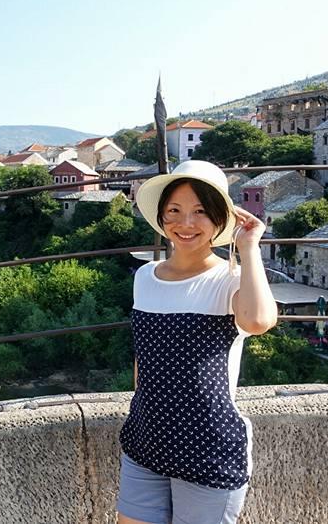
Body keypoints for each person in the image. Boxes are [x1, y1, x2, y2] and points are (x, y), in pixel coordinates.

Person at [116, 160, 277, 524]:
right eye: (174, 210)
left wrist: (249, 247)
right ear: (161, 216)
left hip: (209, 448)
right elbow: (145, 357)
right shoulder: (145, 276)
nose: (185, 223)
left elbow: (259, 320)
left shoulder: (230, 279)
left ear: (221, 219)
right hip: (146, 440)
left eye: (200, 211)